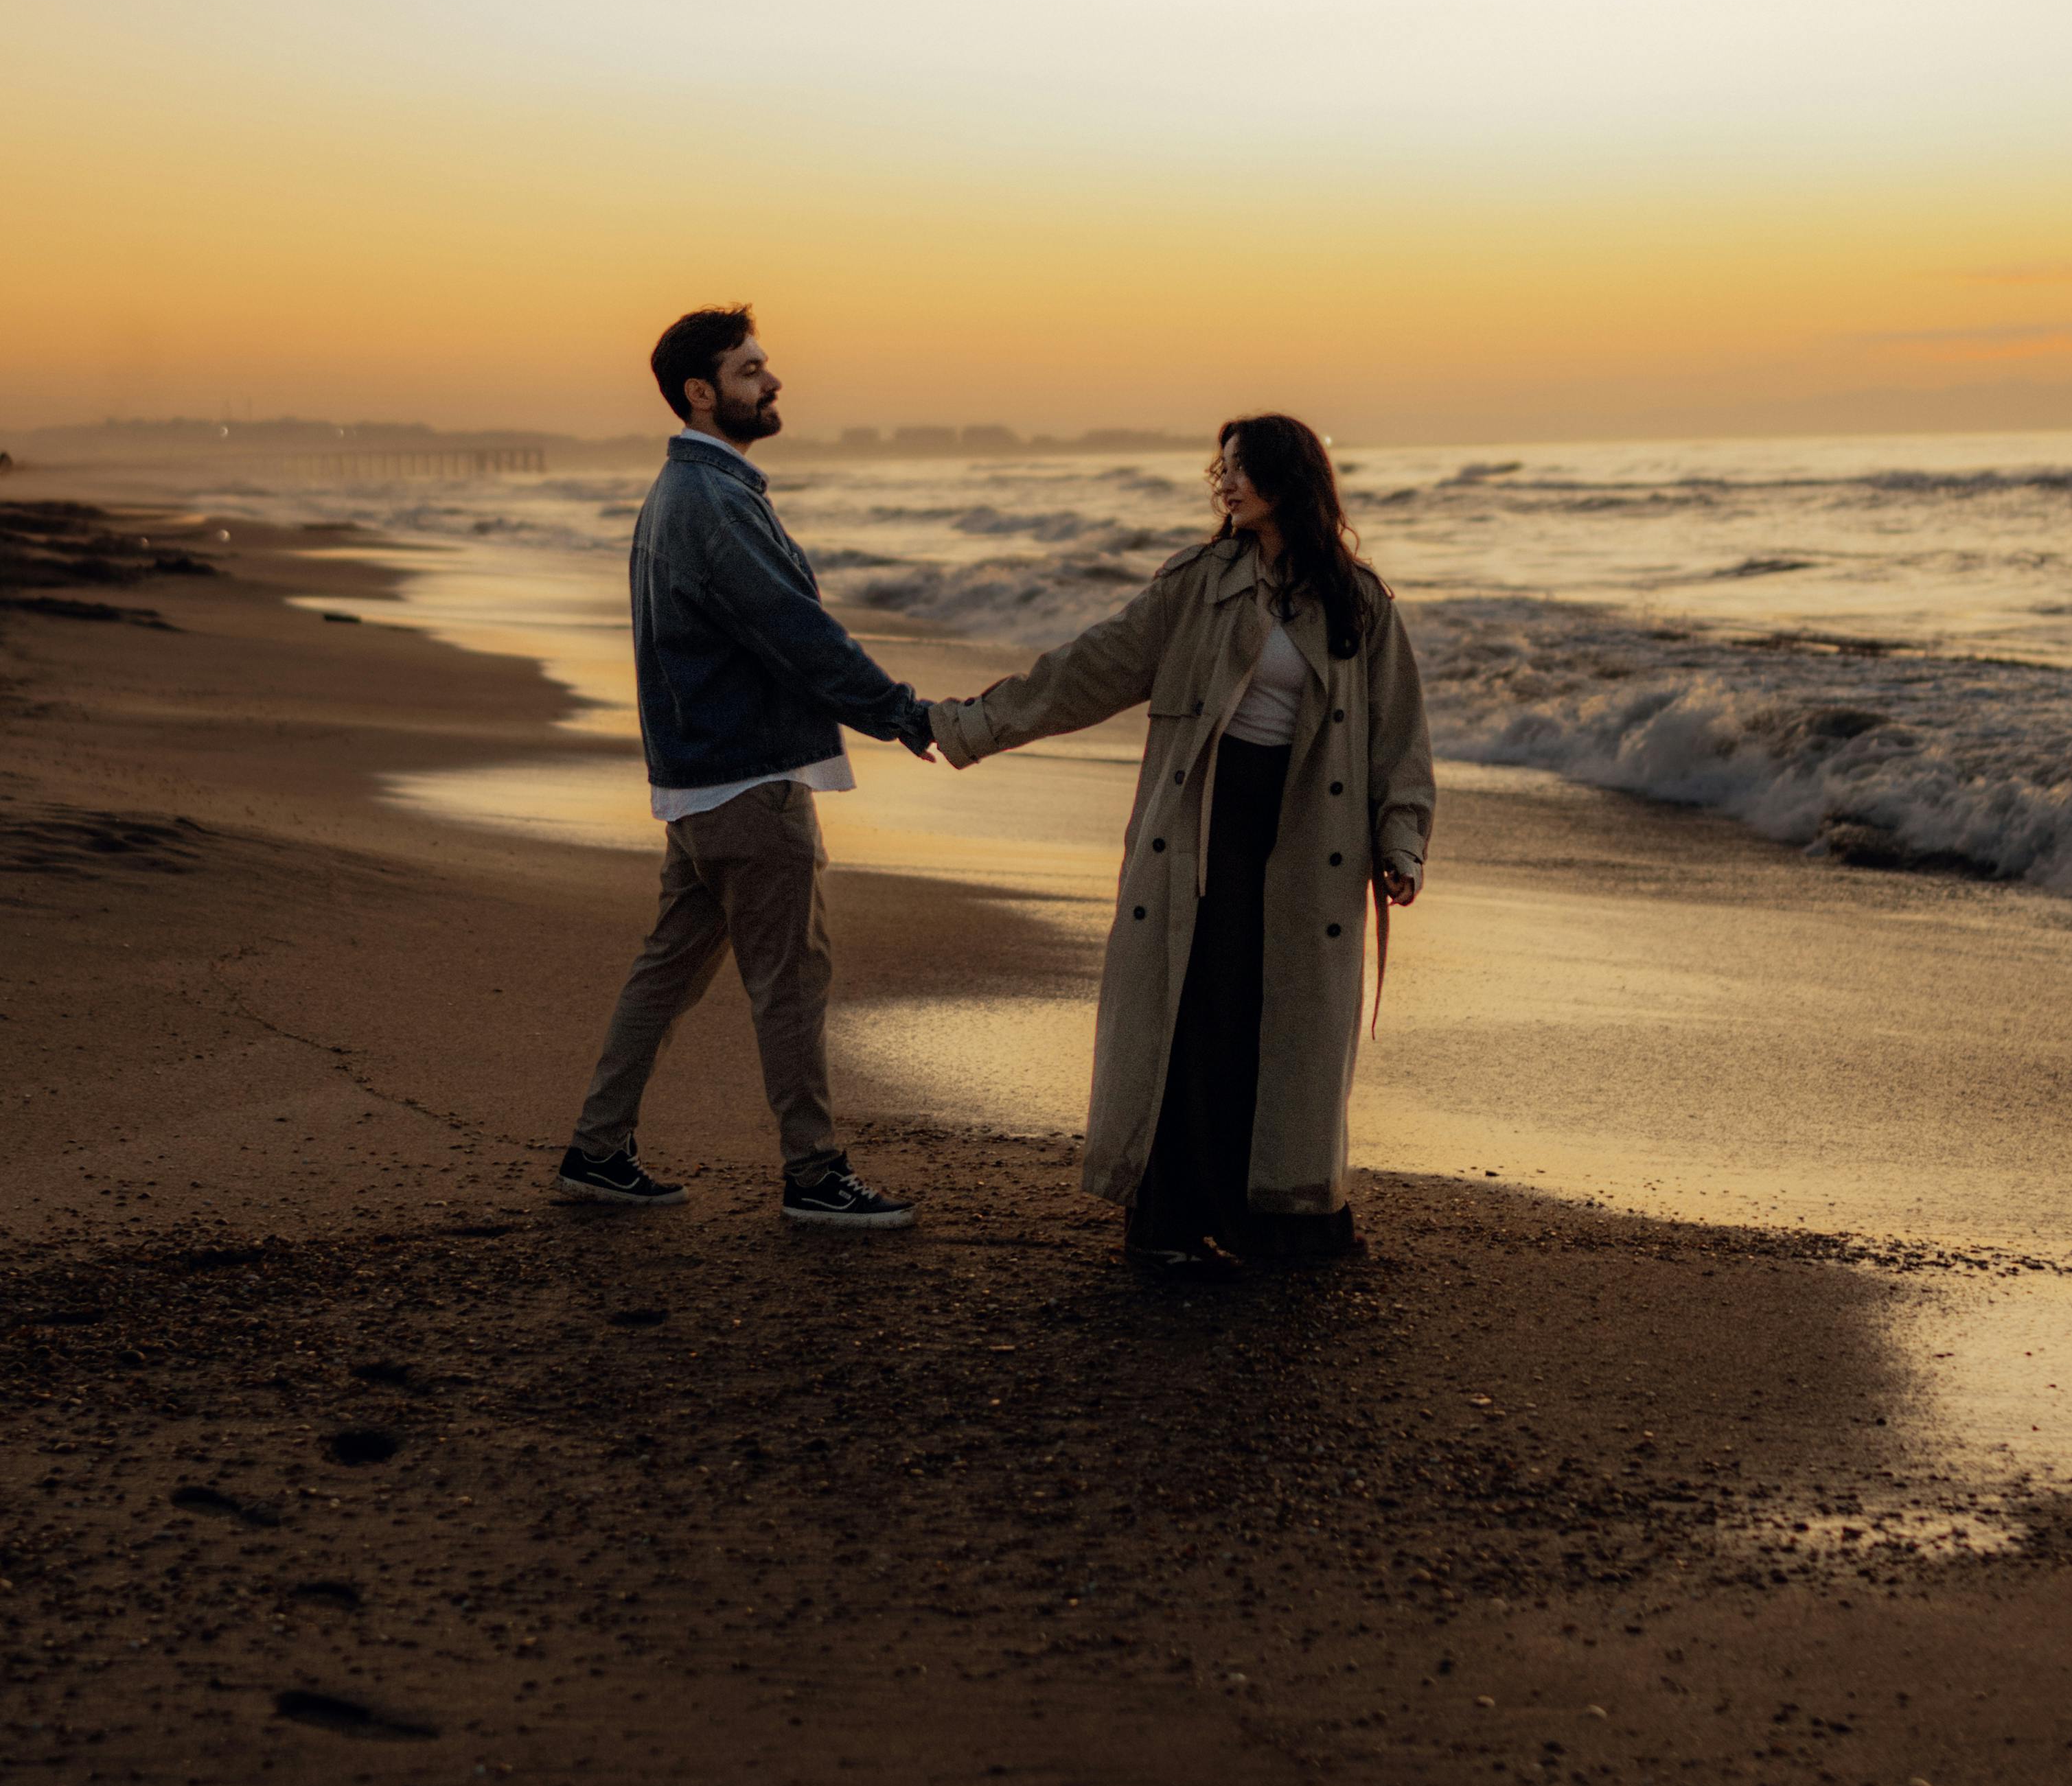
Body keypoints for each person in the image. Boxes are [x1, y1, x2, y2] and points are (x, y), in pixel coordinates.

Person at [925, 415, 1432, 1268]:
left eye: (1240, 469)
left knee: (1286, 1020)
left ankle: (1282, 1216)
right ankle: (1174, 1217)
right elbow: (1090, 669)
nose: (1224, 484)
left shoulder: (1358, 599)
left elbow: (1400, 735)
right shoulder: (1197, 583)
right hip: (1204, 821)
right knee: (1198, 1010)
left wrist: (1402, 842)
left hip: (1312, 832)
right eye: (1219, 470)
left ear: (1289, 477)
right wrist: (972, 726)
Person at [559, 306, 932, 1227]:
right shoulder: (714, 504)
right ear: (702, 392)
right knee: (792, 979)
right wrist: (903, 714)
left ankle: (597, 1151)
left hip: (696, 784)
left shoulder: (680, 495)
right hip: (746, 783)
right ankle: (814, 1174)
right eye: (751, 369)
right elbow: (797, 636)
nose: (773, 382)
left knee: (668, 971)